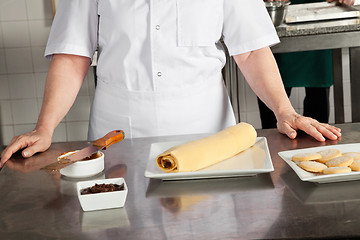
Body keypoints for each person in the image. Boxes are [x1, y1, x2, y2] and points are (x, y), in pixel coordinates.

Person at [0, 0, 341, 168]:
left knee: (212, 223)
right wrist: (44, 128)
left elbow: (251, 50)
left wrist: (284, 110)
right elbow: (73, 54)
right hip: (120, 135)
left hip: (209, 135)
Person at [259, 0, 357, 129]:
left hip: (318, 16)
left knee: (318, 98)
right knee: (273, 101)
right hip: (278, 16)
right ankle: (273, 146)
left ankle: (317, 146)